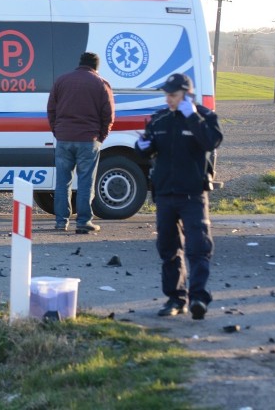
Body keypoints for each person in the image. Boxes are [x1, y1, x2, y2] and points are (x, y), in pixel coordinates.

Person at [135, 73, 223, 320]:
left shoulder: (204, 117)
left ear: (186, 94)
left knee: (198, 247)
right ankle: (175, 298)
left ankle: (198, 298)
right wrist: (142, 146)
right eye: (167, 95)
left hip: (193, 194)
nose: (169, 99)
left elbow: (211, 141)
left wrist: (191, 115)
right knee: (168, 248)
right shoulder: (160, 118)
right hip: (165, 193)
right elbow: (148, 148)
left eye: (173, 95)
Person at [47, 52, 115, 234]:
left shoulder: (62, 81)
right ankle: (84, 222)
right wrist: (101, 137)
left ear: (80, 63)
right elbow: (108, 115)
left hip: (64, 138)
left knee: (63, 182)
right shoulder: (101, 84)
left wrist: (58, 131)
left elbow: (51, 110)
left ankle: (61, 222)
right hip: (88, 139)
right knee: (85, 182)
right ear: (96, 66)